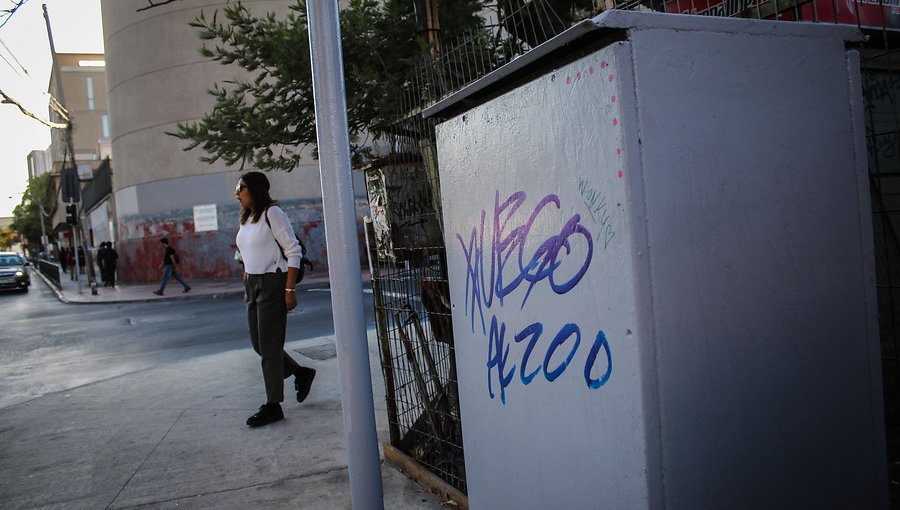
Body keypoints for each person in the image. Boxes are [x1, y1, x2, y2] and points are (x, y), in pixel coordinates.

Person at [235, 171, 316, 428]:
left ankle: (273, 405)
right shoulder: (247, 218)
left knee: (269, 349)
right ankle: (301, 372)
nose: (237, 192)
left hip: (273, 282)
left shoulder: (273, 213)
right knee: (259, 344)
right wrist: (247, 283)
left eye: (241, 187)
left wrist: (289, 291)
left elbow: (292, 251)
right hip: (254, 283)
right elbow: (245, 253)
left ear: (256, 189)